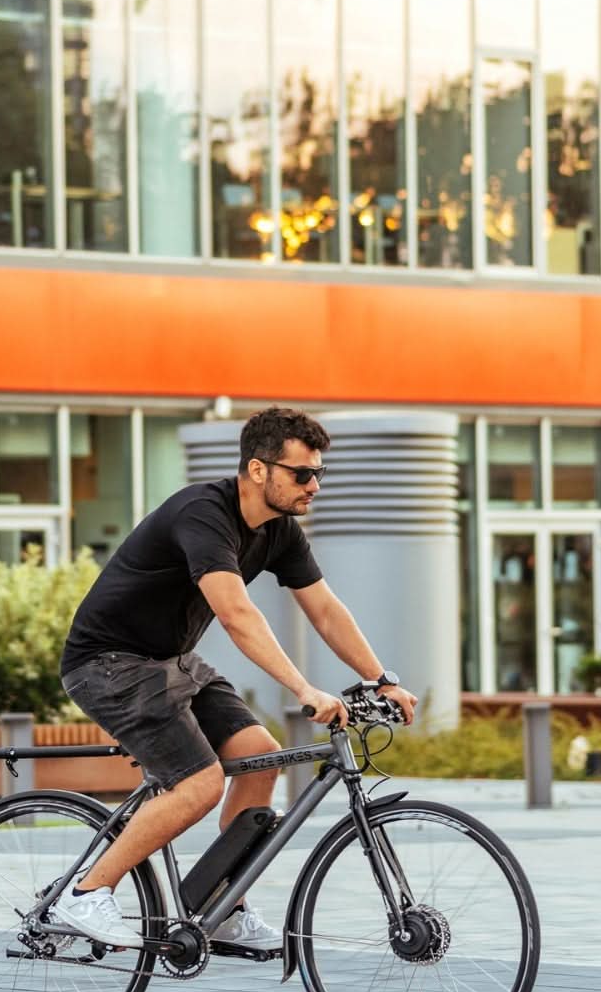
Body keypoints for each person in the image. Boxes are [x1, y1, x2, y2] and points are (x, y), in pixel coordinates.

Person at [53, 406, 419, 951]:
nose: (314, 485)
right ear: (257, 470)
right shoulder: (203, 513)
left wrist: (381, 677)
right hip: (108, 663)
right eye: (301, 474)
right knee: (199, 783)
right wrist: (303, 689)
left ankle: (220, 906)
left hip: (169, 661)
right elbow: (236, 614)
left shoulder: (279, 533)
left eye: (319, 473)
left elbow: (325, 610)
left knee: (259, 756)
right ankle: (84, 893)